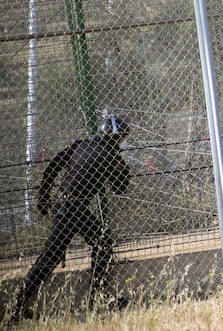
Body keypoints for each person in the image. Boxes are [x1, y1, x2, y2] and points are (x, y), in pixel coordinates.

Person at [11, 114, 132, 321]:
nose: (123, 140)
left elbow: (53, 167)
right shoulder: (110, 157)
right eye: (121, 136)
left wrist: (44, 197)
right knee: (56, 255)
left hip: (65, 206)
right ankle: (17, 308)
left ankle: (97, 299)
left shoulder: (81, 145)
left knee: (100, 243)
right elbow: (120, 188)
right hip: (73, 210)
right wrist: (123, 169)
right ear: (114, 136)